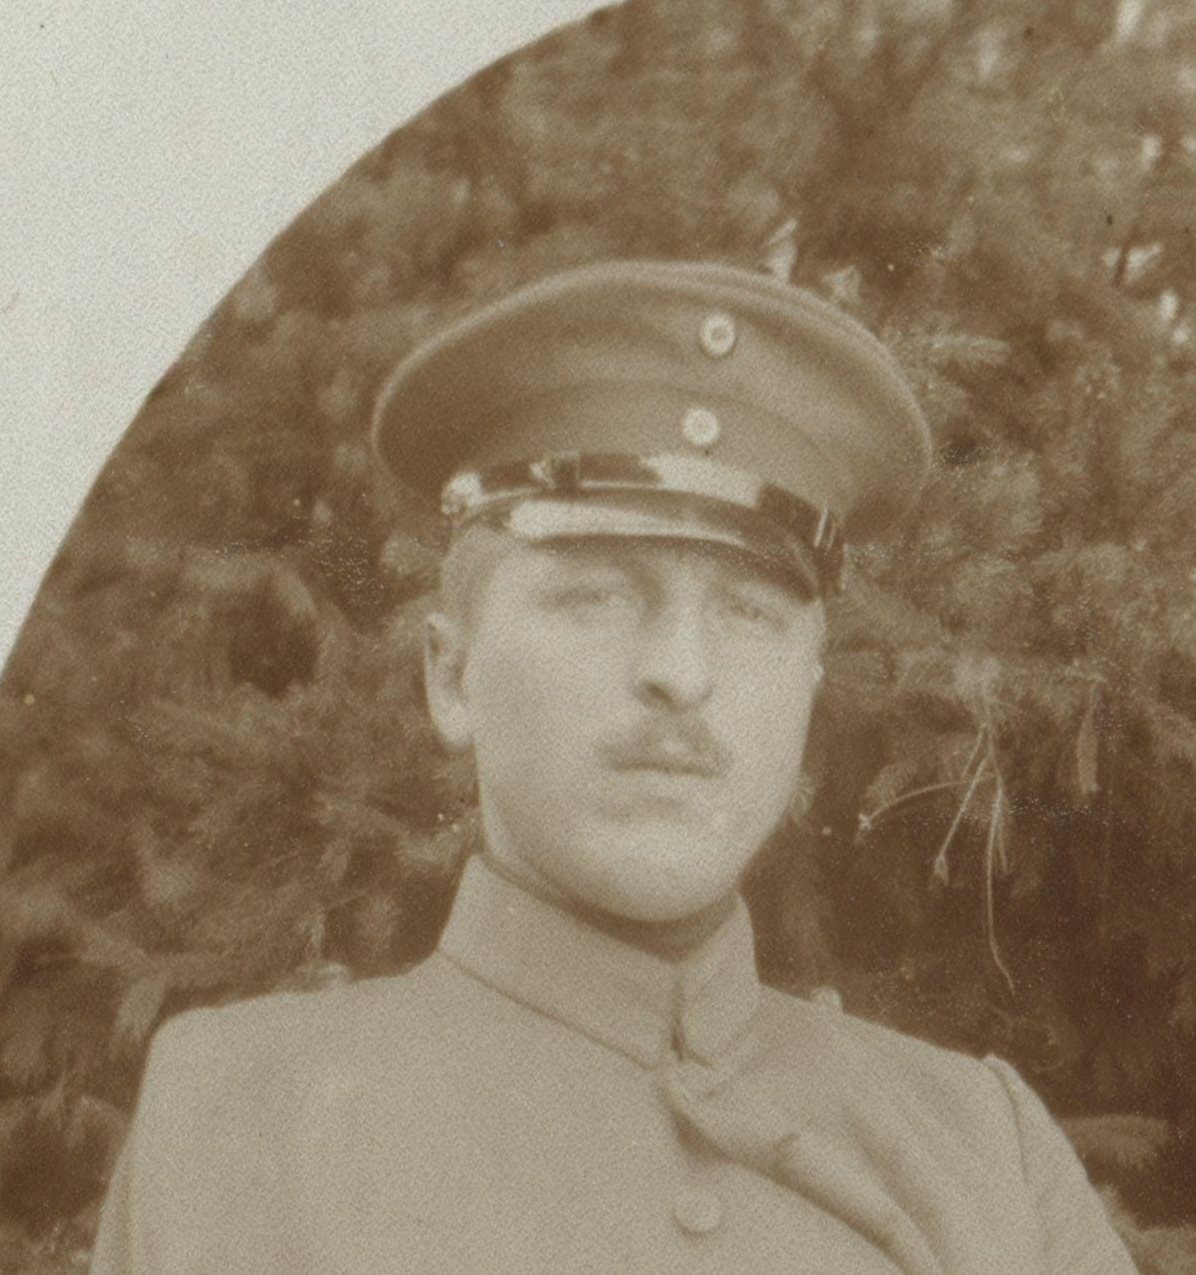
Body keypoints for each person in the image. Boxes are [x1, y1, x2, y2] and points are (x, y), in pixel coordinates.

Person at [90, 260, 1137, 1273]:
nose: (681, 672)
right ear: (451, 677)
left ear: (807, 698)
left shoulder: (985, 1153)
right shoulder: (237, 1119)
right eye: (594, 595)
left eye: (748, 611)